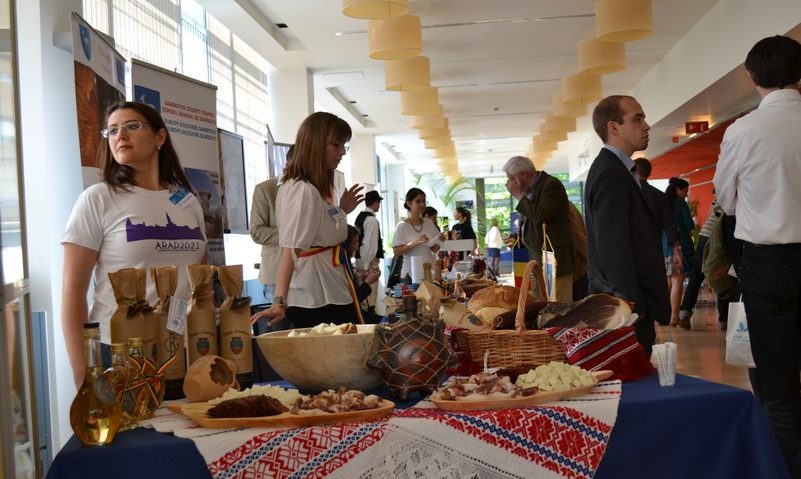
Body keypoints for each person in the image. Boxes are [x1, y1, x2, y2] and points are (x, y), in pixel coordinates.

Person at [61, 101, 207, 388]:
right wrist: (83, 372)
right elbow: (73, 289)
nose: (120, 136)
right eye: (112, 131)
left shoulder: (187, 201)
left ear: (160, 138)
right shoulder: (98, 198)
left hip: (183, 347)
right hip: (120, 351)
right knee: (131, 433)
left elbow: (197, 280)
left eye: (131, 126)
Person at [713, 35, 801, 478]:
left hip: (768, 266)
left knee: (778, 384)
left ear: (751, 77)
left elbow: (726, 201)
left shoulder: (742, 132)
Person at [250, 112, 364, 329]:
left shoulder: (317, 187)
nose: (341, 152)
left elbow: (322, 228)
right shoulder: (301, 189)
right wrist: (279, 301)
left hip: (329, 289)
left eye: (343, 146)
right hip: (314, 295)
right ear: (316, 144)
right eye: (336, 145)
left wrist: (342, 209)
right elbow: (290, 248)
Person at [584, 95, 670, 357]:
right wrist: (633, 305)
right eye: (637, 118)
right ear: (613, 127)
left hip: (628, 304)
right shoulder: (610, 173)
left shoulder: (619, 170)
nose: (646, 126)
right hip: (625, 309)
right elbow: (613, 247)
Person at [503, 155, 574, 303]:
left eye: (510, 179)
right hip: (536, 261)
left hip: (554, 264)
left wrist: (518, 195)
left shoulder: (551, 185)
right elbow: (534, 223)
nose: (508, 184)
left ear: (522, 175)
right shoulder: (532, 190)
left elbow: (541, 216)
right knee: (539, 309)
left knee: (557, 310)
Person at [250, 144, 294, 306]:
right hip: (275, 275)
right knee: (278, 329)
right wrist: (293, 235)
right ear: (288, 163)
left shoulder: (313, 189)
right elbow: (256, 232)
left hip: (306, 274)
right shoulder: (266, 189)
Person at [662, 177, 695, 328]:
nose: (686, 194)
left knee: (668, 281)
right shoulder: (680, 204)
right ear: (677, 190)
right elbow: (689, 225)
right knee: (677, 281)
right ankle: (674, 317)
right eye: (684, 191)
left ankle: (663, 315)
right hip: (678, 247)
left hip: (664, 246)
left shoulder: (663, 203)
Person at [392, 187, 441, 284]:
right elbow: (396, 251)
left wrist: (440, 241)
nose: (422, 204)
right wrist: (416, 242)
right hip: (410, 275)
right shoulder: (402, 226)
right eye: (418, 201)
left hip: (429, 272)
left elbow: (435, 249)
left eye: (424, 201)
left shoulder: (429, 223)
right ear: (409, 203)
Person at [354, 190, 384, 314]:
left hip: (361, 259)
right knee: (370, 298)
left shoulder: (360, 217)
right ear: (376, 202)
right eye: (379, 202)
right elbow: (369, 245)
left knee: (364, 297)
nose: (379, 205)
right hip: (368, 261)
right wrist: (367, 266)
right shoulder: (371, 220)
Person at [345, 225, 381, 323]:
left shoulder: (348, 265)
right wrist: (368, 282)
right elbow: (353, 301)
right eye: (355, 243)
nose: (357, 248)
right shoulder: (342, 268)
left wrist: (363, 279)